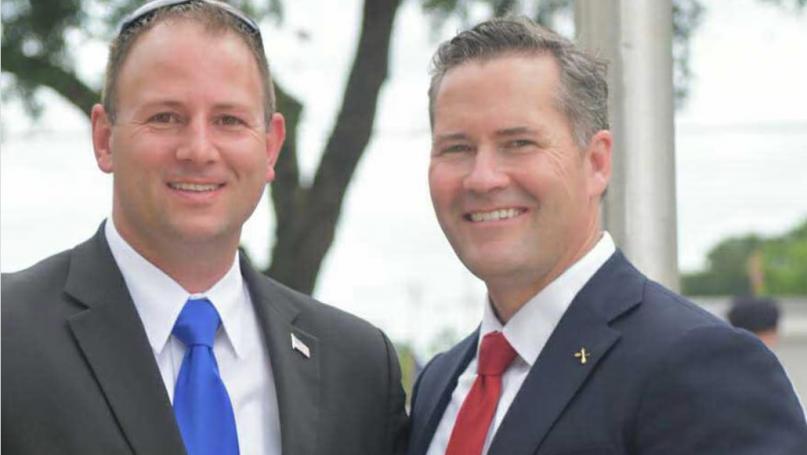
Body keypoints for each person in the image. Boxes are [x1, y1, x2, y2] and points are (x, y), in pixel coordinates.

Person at [1, 1, 407, 454]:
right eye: (165, 117)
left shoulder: (359, 370)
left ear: (271, 146)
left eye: (228, 120)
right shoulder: (9, 335)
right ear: (104, 138)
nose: (198, 150)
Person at [407, 16, 807, 455]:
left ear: (597, 162)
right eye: (457, 148)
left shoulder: (702, 366)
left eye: (518, 143)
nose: (483, 178)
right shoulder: (440, 383)